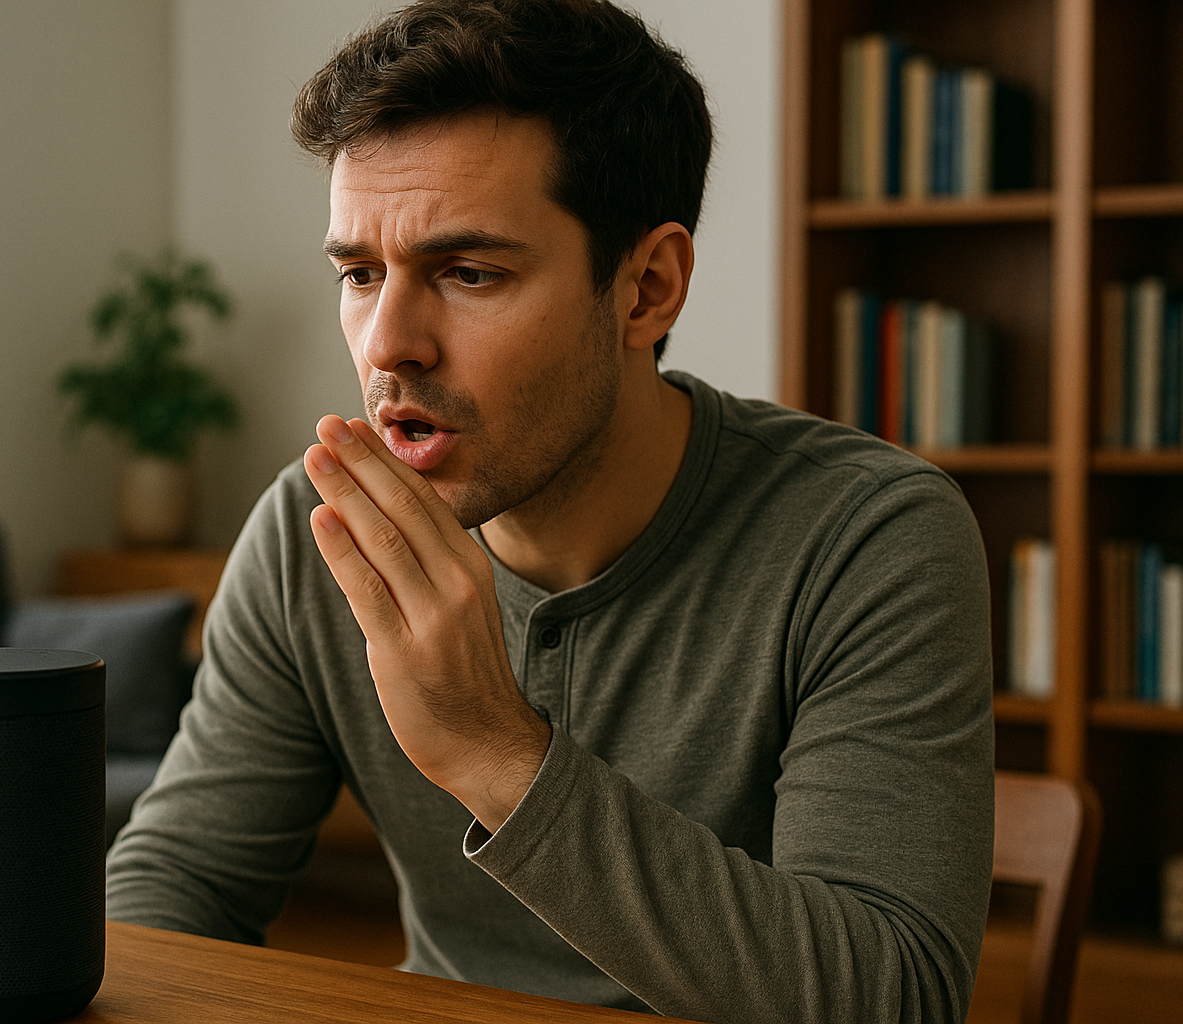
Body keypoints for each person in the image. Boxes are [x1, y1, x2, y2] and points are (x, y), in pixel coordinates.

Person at [105, 1, 995, 1021]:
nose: (388, 343)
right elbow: (176, 886)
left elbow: (894, 998)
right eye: (359, 273)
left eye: (468, 272)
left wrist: (495, 752)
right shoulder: (320, 534)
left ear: (646, 289)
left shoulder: (869, 538)